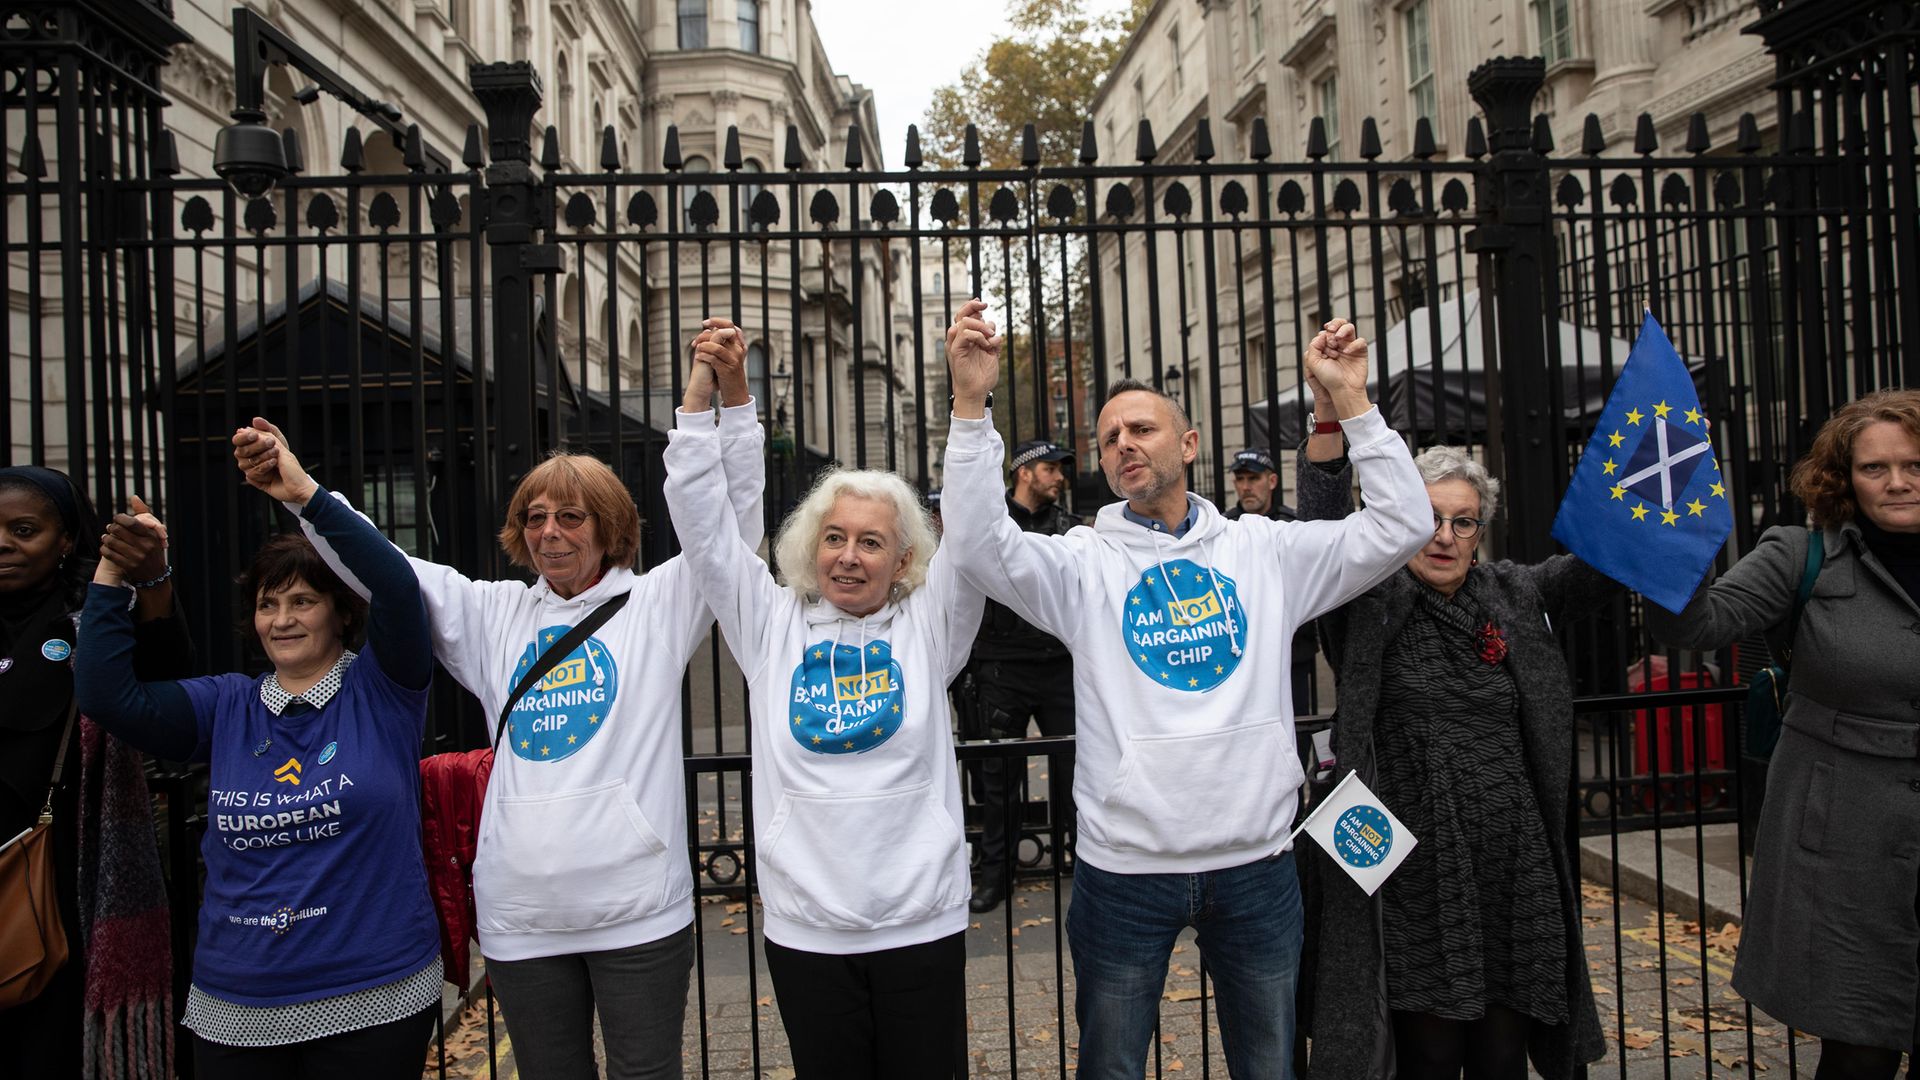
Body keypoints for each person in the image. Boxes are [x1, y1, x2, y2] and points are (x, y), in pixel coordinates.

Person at [941, 303, 1430, 1078]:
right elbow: (973, 544)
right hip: (1123, 875)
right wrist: (972, 407)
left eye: (1141, 428)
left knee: (1268, 1065)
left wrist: (1354, 402)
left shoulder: (1264, 550)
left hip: (1258, 868)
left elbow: (1404, 523)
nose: (1124, 444)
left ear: (1189, 443)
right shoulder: (1082, 564)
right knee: (1113, 1067)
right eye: (1109, 439)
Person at [278, 321, 766, 1080]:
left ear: (609, 529)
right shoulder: (493, 615)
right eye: (535, 518)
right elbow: (390, 569)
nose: (550, 532)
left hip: (637, 908)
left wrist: (724, 401)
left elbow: (728, 524)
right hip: (520, 917)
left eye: (571, 517)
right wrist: (306, 496)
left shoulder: (660, 603)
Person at [663, 327, 983, 1078]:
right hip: (809, 928)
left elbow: (972, 538)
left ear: (903, 560)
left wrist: (970, 405)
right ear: (812, 548)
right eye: (834, 537)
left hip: (921, 920)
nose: (848, 555)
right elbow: (707, 533)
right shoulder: (770, 623)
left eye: (871, 543)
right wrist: (708, 401)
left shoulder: (930, 625)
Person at [74, 427, 442, 1077]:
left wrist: (300, 493)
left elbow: (397, 586)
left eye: (303, 600)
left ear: (340, 613)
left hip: (375, 997)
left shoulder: (380, 690)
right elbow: (107, 697)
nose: (283, 619)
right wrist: (113, 576)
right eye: (268, 604)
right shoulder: (226, 704)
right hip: (237, 1006)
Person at [1296, 435, 1612, 1080]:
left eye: (1461, 522)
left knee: (1502, 1050)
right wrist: (1327, 433)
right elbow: (1323, 522)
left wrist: (1665, 476)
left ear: (1480, 531)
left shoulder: (1516, 593)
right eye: (1427, 519)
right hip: (1412, 865)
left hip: (1510, 859)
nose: (1443, 536)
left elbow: (1608, 561)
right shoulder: (1364, 598)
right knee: (1431, 1051)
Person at [1646, 388, 1920, 1080]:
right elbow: (1696, 625)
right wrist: (1672, 518)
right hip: (1841, 839)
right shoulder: (1802, 554)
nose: (1897, 482)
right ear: (1843, 478)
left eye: (1915, 465)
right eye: (1874, 468)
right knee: (1860, 1042)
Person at [0, 468, 182, 1078]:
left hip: (62, 877)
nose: (3, 543)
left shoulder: (93, 617)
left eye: (23, 530)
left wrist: (152, 576)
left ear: (66, 539)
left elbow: (169, 691)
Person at [959, 437, 1081, 914]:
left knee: (1075, 773)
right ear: (1025, 472)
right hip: (1001, 668)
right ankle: (996, 877)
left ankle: (1083, 864)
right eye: (1051, 468)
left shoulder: (1069, 527)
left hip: (1058, 667)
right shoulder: (994, 524)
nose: (1059, 477)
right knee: (999, 780)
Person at [1224, 447, 1321, 709]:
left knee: (1298, 727)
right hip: (1241, 654)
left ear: (1272, 481)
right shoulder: (1223, 527)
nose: (1246, 487)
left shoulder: (1292, 525)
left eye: (1253, 479)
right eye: (1240, 479)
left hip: (1292, 651)